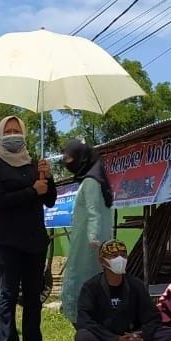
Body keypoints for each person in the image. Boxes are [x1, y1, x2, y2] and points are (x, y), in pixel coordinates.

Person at [0, 115, 56, 341]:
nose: (13, 134)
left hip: (34, 240)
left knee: (33, 295)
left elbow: (49, 200)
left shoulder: (35, 165)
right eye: (8, 130)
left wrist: (48, 178)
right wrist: (30, 190)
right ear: (0, 134)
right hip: (7, 241)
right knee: (9, 293)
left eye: (17, 130)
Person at [74, 241, 171, 341]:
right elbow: (85, 321)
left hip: (134, 337)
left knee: (169, 334)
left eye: (123, 255)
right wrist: (115, 339)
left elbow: (153, 318)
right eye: (114, 256)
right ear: (102, 260)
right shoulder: (91, 287)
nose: (120, 259)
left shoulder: (136, 285)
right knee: (82, 337)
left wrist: (138, 334)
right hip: (107, 338)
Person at [58, 138, 114, 325]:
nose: (67, 163)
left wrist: (93, 239)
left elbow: (93, 212)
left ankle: (85, 323)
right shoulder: (93, 179)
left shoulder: (90, 181)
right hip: (91, 244)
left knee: (82, 281)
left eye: (69, 158)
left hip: (89, 246)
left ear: (80, 158)